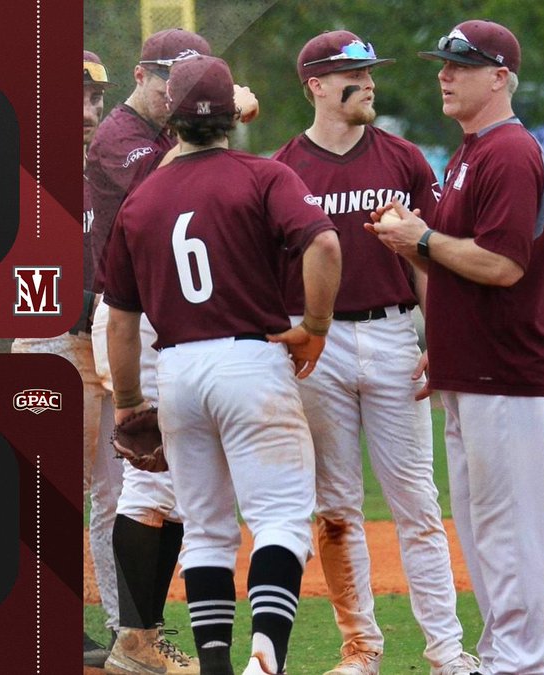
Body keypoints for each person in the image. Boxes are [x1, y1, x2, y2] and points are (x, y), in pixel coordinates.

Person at [103, 54, 341, 675]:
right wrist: (315, 327)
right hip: (250, 361)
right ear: (231, 117)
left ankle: (214, 665)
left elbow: (123, 319)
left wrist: (130, 402)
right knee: (280, 521)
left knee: (206, 532)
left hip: (178, 370)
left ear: (173, 117)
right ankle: (267, 659)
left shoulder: (143, 198)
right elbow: (324, 243)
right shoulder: (264, 176)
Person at [272, 30, 477, 675]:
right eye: (352, 75)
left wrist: (437, 335)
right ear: (315, 85)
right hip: (317, 340)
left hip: (393, 335)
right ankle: (361, 650)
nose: (368, 84)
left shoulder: (404, 158)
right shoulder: (283, 169)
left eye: (370, 72)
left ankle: (446, 652)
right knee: (336, 507)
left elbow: (430, 257)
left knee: (416, 502)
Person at [369, 20, 544, 675]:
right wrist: (416, 246)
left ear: (501, 76)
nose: (444, 75)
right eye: (443, 63)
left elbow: (504, 265)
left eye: (461, 64)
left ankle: (517, 662)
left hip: (508, 371)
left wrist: (420, 241)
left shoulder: (507, 152)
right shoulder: (471, 152)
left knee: (508, 532)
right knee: (484, 533)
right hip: (472, 369)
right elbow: (463, 265)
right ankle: (500, 656)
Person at [87, 28, 256, 675]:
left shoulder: (159, 135)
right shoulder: (120, 139)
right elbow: (164, 187)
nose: (176, 92)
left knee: (170, 486)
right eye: (169, 79)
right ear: (143, 74)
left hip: (160, 318)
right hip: (133, 319)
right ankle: (134, 638)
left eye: (189, 82)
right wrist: (217, 118)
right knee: (151, 478)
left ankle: (140, 636)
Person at [12, 48, 124, 669]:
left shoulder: (112, 168)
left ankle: (123, 627)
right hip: (51, 346)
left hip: (113, 343)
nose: (86, 110)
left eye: (94, 98)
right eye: (73, 98)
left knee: (119, 492)